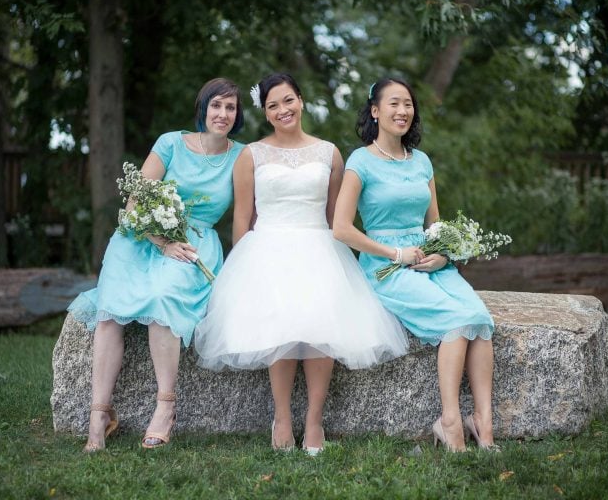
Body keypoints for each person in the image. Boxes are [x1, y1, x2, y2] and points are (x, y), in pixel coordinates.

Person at [194, 73, 408, 455]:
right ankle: (281, 417)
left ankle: (314, 419)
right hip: (267, 248)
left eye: (288, 100)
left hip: (317, 245)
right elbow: (242, 220)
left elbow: (333, 217)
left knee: (321, 323)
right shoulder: (251, 155)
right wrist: (245, 273)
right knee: (280, 325)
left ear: (301, 101)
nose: (283, 110)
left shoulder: (329, 153)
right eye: (273, 105)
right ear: (265, 112)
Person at [67, 78, 246, 452]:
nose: (223, 114)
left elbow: (246, 216)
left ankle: (166, 408)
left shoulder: (241, 156)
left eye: (230, 108)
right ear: (203, 108)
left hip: (194, 244)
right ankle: (98, 413)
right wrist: (161, 242)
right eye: (216, 105)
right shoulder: (170, 143)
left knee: (163, 298)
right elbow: (134, 204)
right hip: (143, 237)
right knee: (110, 310)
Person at [333, 78, 497, 452]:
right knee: (455, 322)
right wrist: (396, 255)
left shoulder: (421, 161)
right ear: (375, 111)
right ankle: (449, 421)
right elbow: (340, 229)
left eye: (407, 104)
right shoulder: (360, 161)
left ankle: (484, 425)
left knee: (479, 319)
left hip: (428, 260)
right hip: (385, 264)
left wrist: (443, 253)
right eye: (393, 103)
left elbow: (433, 223)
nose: (402, 111)